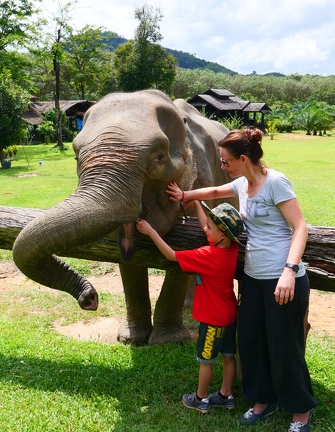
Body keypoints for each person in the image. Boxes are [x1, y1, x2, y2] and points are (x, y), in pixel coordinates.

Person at [166, 128, 317, 432]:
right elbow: (213, 193)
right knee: (251, 342)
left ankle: (300, 410)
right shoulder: (242, 183)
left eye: (225, 161)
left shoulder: (275, 182)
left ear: (243, 159)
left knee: (284, 345)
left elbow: (300, 227)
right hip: (252, 279)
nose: (223, 166)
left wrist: (290, 269)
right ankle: (263, 400)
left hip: (281, 280)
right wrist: (186, 195)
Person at [136, 199, 245, 414]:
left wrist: (150, 231)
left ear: (221, 234)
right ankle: (226, 395)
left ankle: (200, 398)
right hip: (230, 314)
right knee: (228, 356)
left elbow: (171, 255)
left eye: (210, 227)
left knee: (206, 361)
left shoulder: (207, 256)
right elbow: (211, 231)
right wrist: (197, 204)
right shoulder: (229, 248)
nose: (205, 228)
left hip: (213, 320)